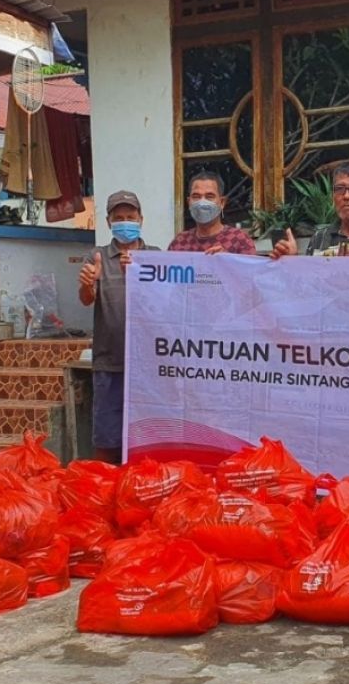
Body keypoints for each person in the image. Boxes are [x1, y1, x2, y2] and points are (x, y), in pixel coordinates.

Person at [78, 190, 160, 464]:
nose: (125, 222)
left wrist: (136, 276)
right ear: (108, 221)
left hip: (150, 366)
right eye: (119, 217)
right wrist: (88, 284)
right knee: (106, 439)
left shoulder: (155, 256)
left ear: (141, 219)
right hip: (109, 362)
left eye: (130, 216)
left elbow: (165, 303)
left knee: (148, 440)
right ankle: (104, 492)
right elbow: (86, 300)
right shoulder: (97, 256)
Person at [168, 171, 256, 255]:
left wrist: (228, 260)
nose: (202, 202)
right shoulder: (179, 242)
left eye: (209, 196)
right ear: (189, 202)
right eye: (196, 196)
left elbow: (252, 269)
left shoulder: (239, 240)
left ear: (222, 202)